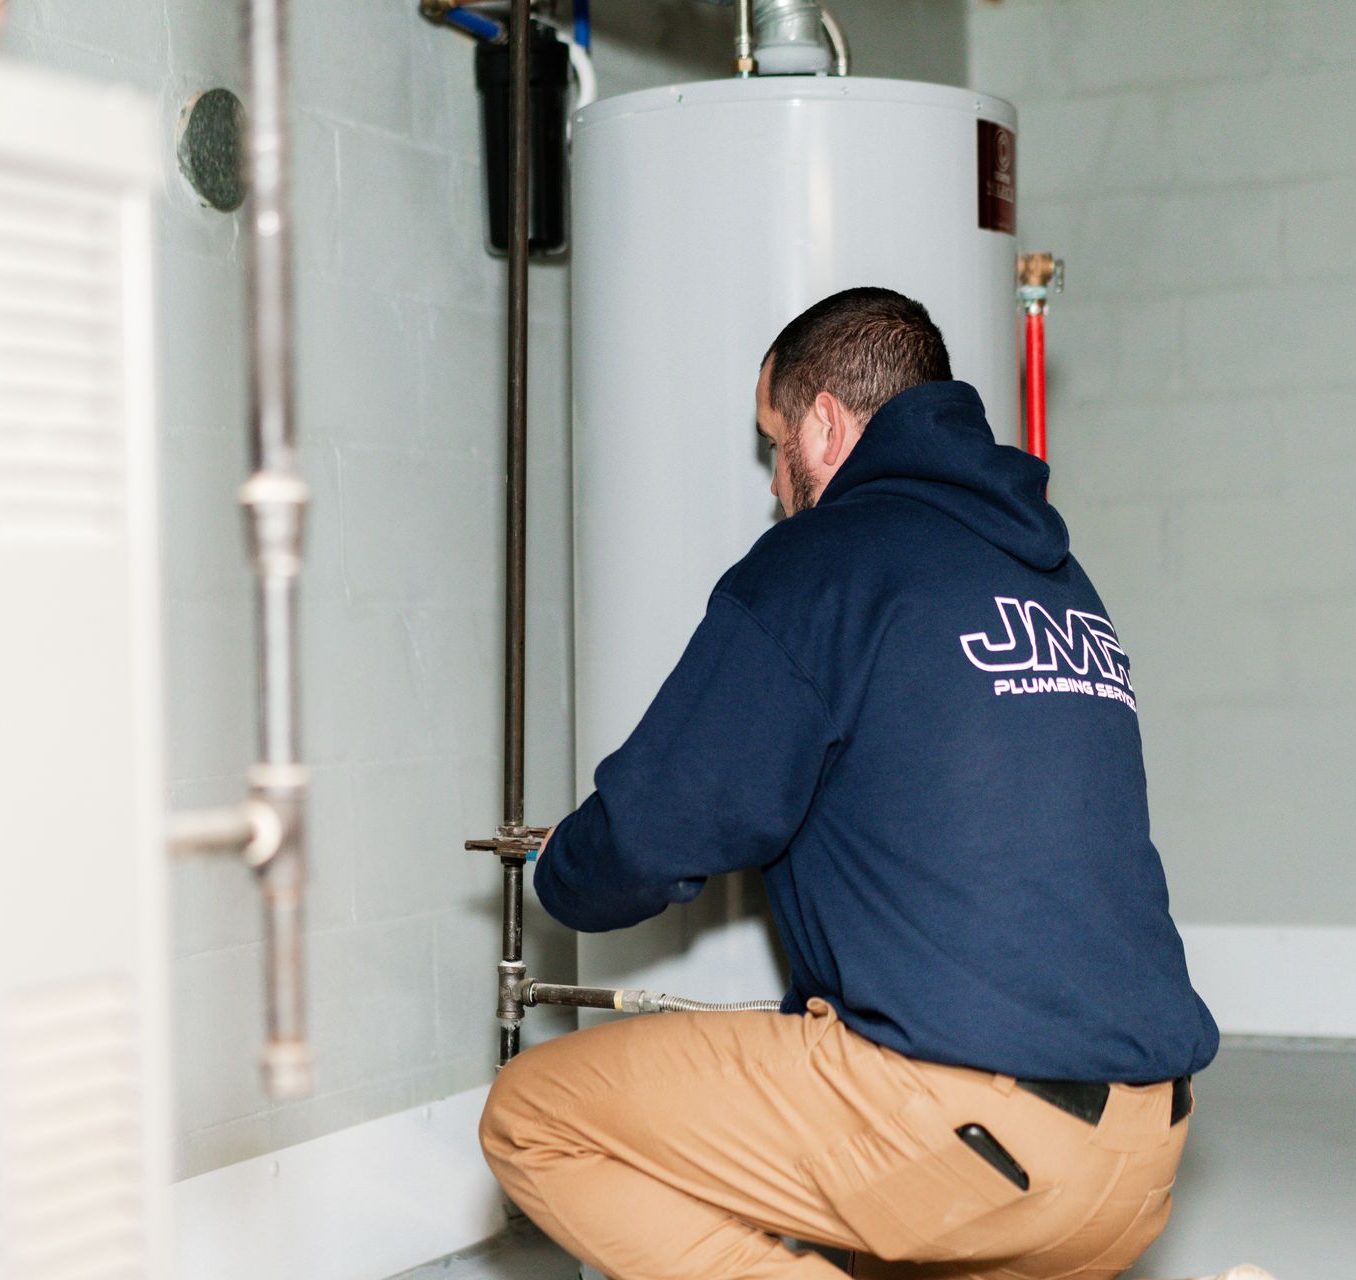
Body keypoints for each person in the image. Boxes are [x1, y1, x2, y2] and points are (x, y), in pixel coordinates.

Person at [480, 287, 1220, 1280]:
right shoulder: (1055, 575)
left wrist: (563, 863)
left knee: (533, 1115)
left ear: (824, 424)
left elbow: (657, 827)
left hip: (975, 1136)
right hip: (1139, 1157)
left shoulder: (823, 557)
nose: (776, 478)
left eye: (774, 440)